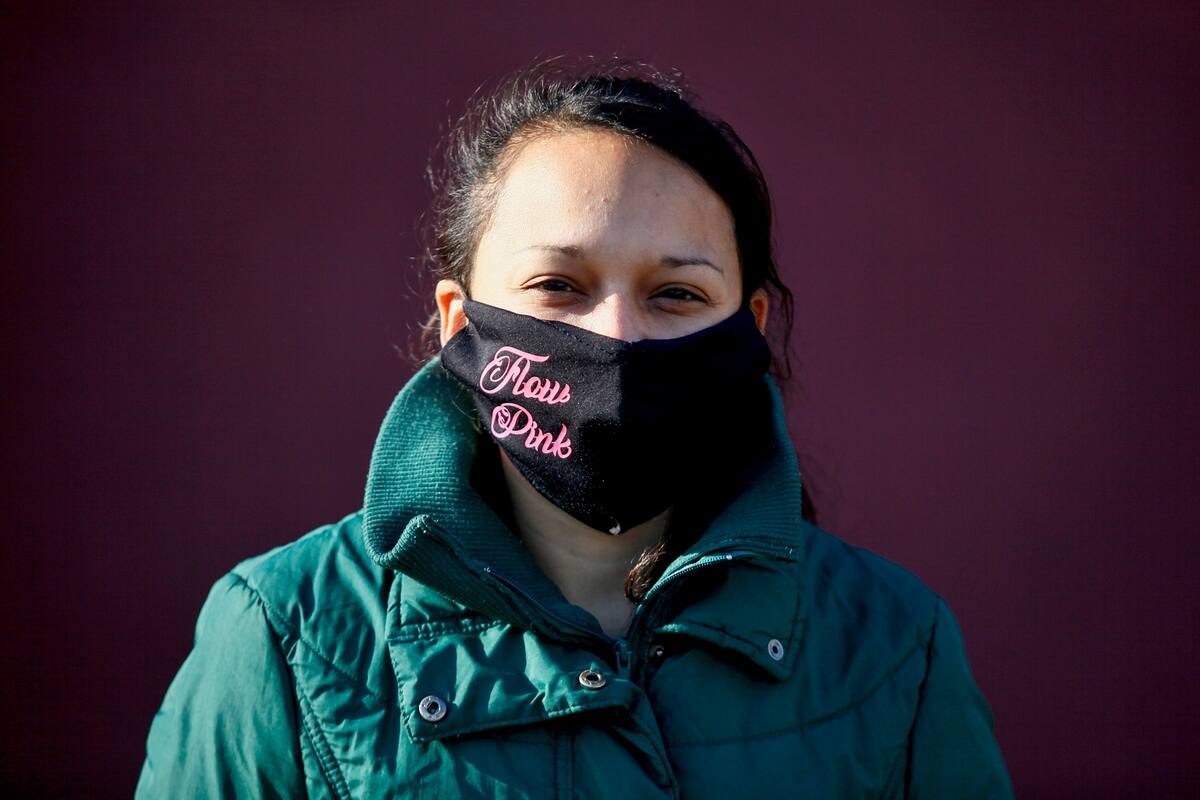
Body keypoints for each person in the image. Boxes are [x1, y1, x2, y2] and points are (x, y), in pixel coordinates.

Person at [136, 56, 1014, 798]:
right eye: (558, 285)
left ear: (746, 329)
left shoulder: (898, 645)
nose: (617, 337)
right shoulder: (283, 634)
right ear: (458, 321)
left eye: (677, 294)